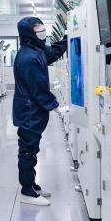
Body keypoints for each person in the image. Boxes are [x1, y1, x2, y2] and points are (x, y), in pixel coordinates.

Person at [13, 17, 67, 205]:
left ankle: (32, 184)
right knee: (27, 151)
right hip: (29, 111)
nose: (42, 30)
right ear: (29, 32)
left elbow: (53, 53)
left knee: (32, 149)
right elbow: (39, 88)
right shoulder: (28, 57)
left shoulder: (37, 49)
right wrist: (56, 106)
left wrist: (67, 38)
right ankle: (27, 191)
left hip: (33, 111)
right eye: (38, 28)